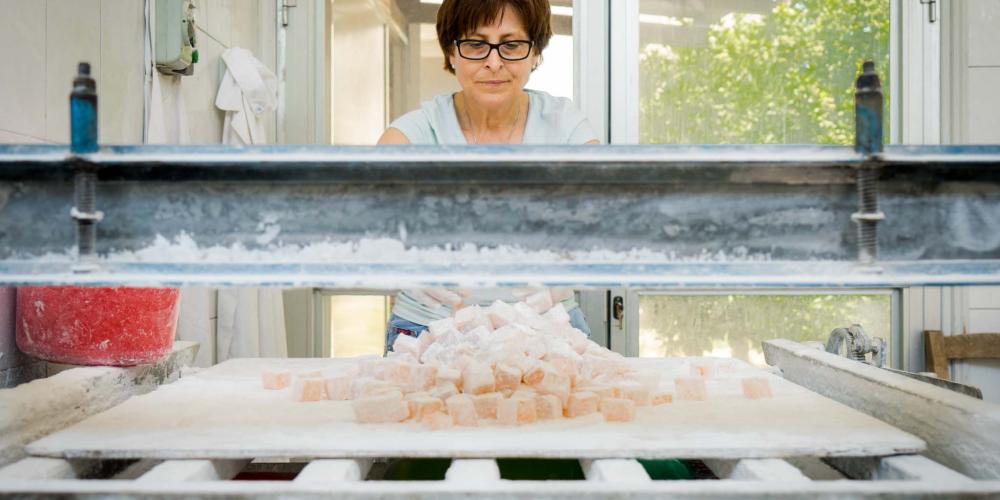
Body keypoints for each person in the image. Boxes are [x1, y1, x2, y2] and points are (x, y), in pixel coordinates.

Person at [377, 0, 599, 352]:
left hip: (546, 328)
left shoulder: (562, 125)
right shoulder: (414, 134)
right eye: (476, 45)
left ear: (535, 54)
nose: (493, 63)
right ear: (452, 53)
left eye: (511, 45)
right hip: (429, 329)